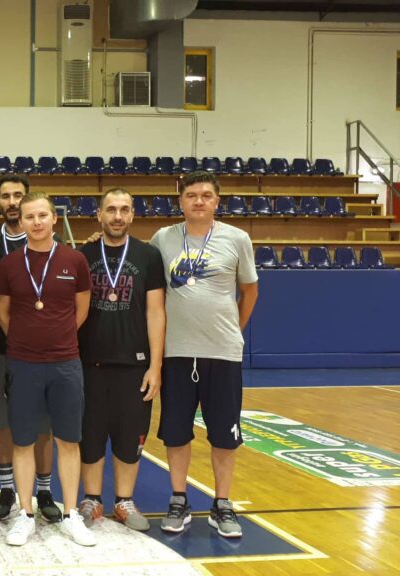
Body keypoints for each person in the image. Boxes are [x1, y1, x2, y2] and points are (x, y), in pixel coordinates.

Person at [150, 171, 259, 539]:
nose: (199, 201)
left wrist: (232, 330)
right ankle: (178, 499)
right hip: (177, 352)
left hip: (222, 354)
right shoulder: (163, 239)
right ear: (180, 201)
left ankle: (222, 504)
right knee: (176, 433)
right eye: (191, 195)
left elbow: (250, 291)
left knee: (224, 436)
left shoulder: (237, 239)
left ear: (217, 201)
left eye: (206, 195)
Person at [0, 192, 94, 547]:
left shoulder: (75, 260)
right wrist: (28, 340)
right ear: (21, 222)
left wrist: (58, 337)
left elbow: (81, 309)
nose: (36, 222)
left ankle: (71, 514)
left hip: (66, 363)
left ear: (54, 218)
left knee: (69, 440)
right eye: (29, 217)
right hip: (23, 364)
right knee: (22, 440)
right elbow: (3, 313)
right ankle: (25, 514)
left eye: (42, 216)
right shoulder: (9, 264)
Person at [76, 188, 165, 532]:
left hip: (135, 365)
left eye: (124, 209)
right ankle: (92, 499)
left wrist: (155, 366)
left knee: (130, 437)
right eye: (111, 209)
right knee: (90, 435)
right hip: (89, 363)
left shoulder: (148, 256)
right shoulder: (82, 255)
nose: (117, 216)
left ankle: (124, 500)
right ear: (99, 215)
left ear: (132, 214)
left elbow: (155, 312)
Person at [0, 174, 61, 523]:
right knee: (2, 422)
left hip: (41, 352)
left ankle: (44, 490)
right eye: (5, 196)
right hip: (0, 348)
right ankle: (6, 489)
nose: (12, 202)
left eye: (18, 195)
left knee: (42, 424)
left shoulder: (50, 242)